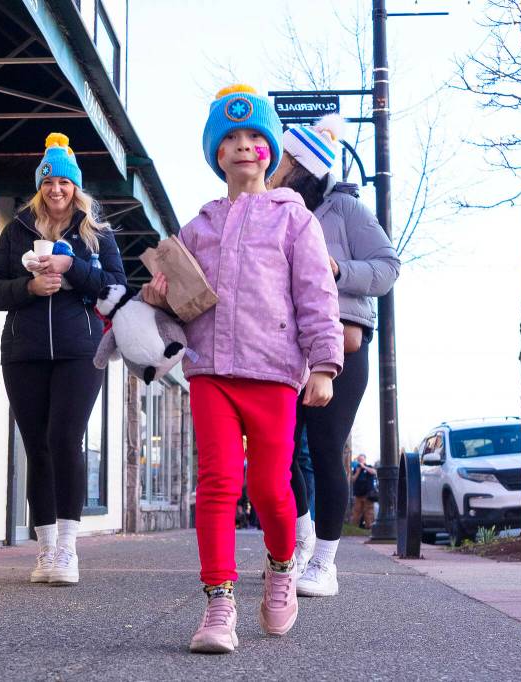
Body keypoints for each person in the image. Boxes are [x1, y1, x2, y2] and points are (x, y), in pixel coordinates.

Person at [142, 84, 343, 653]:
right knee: (218, 482)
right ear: (216, 153)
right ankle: (218, 603)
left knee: (270, 486)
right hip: (210, 372)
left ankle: (282, 568)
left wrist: (324, 364)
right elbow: (174, 292)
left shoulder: (294, 219)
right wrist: (157, 295)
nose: (244, 146)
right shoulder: (198, 225)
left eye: (255, 136)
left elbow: (316, 292)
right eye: (229, 138)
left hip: (275, 371)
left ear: (271, 150)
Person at [0, 133, 126, 586]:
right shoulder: (16, 231)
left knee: (65, 440)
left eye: (64, 182)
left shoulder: (97, 235)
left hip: (80, 352)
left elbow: (116, 290)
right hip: (22, 354)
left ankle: (68, 548)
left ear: (75, 187)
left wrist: (71, 272)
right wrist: (28, 289)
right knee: (37, 446)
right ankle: (44, 551)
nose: (56, 190)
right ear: (39, 188)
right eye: (49, 182)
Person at [268, 114, 401, 597]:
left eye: (282, 158)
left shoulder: (345, 209)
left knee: (326, 452)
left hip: (341, 347)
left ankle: (325, 561)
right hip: (285, 348)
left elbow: (387, 267)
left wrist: (336, 269)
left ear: (302, 164)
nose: (273, 164)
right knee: (279, 454)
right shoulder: (274, 209)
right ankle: (302, 540)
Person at [350, 454, 378, 529]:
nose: (360, 461)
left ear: (365, 460)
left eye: (361, 460)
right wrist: (358, 471)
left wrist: (364, 467)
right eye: (359, 460)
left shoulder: (369, 467)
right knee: (356, 512)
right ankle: (354, 527)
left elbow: (374, 472)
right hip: (358, 494)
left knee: (368, 512)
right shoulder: (356, 469)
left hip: (368, 494)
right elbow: (352, 480)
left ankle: (369, 527)